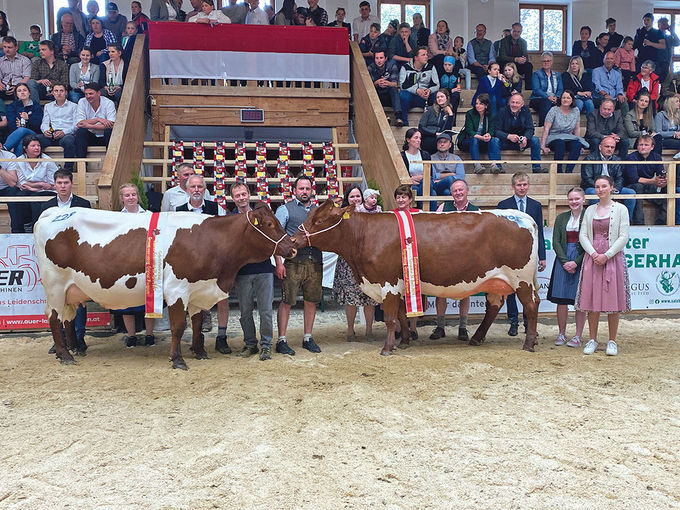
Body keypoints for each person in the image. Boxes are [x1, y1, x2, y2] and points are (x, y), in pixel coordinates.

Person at [576, 174, 630, 356]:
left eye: (604, 186)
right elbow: (583, 234)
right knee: (592, 301)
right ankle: (592, 338)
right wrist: (593, 254)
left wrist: (606, 255)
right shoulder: (590, 210)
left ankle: (612, 341)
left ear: (611, 187)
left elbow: (623, 236)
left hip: (612, 258)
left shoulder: (621, 209)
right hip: (592, 258)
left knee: (612, 300)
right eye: (597, 186)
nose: (600, 190)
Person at [42, 169, 91, 355]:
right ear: (54, 184)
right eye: (59, 183)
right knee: (57, 300)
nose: (63, 186)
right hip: (55, 262)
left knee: (80, 299)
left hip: (79, 261)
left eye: (66, 183)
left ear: (72, 184)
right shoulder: (45, 208)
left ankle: (79, 338)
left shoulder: (83, 205)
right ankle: (60, 339)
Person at [175, 174, 228, 343]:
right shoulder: (178, 210)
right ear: (187, 189)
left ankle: (219, 333)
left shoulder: (216, 208)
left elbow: (224, 234)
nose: (196, 190)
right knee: (187, 294)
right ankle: (188, 330)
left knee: (217, 296)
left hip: (211, 261)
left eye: (200, 187)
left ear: (205, 190)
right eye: (193, 187)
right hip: (188, 262)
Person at [274, 176, 323, 355]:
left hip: (315, 261)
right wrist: (279, 263)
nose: (304, 192)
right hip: (292, 262)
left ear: (312, 191)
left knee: (311, 301)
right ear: (294, 190)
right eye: (301, 188)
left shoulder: (318, 211)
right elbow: (277, 239)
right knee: (287, 301)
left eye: (307, 189)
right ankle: (281, 340)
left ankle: (308, 337)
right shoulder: (284, 209)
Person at [229, 182, 275, 360]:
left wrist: (277, 263)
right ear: (233, 198)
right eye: (237, 195)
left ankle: (266, 345)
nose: (241, 198)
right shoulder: (231, 219)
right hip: (242, 273)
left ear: (249, 195)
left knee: (265, 310)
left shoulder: (261, 216)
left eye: (243, 194)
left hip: (264, 269)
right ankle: (250, 344)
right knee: (245, 312)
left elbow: (273, 239)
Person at [497, 172, 546, 336]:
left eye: (525, 184)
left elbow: (539, 232)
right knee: (511, 290)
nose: (522, 188)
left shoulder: (536, 205)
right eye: (519, 185)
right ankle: (513, 322)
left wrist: (542, 256)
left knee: (529, 290)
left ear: (528, 185)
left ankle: (528, 323)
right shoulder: (503, 204)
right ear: (513, 186)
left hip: (528, 257)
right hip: (509, 255)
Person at [430, 178, 477, 342]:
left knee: (465, 291)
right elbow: (434, 231)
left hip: (466, 258)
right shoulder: (443, 208)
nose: (458, 193)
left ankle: (462, 328)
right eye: (455, 190)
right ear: (451, 193)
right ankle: (440, 326)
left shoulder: (475, 211)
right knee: (440, 291)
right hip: (444, 256)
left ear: (467, 191)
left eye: (460, 190)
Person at [332, 185, 378, 342]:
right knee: (350, 298)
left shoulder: (374, 212)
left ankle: (369, 331)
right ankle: (350, 330)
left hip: (368, 261)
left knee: (369, 297)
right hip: (348, 262)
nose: (355, 199)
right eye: (352, 197)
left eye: (358, 196)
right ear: (347, 199)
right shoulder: (342, 215)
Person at [117, 182, 155, 348]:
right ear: (122, 198)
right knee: (127, 303)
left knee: (148, 301)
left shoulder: (149, 215)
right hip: (125, 265)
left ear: (138, 196)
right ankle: (131, 336)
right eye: (127, 195)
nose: (131, 197)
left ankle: (149, 335)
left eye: (133, 194)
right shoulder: (116, 218)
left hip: (145, 263)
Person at [548, 187, 586, 347]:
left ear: (583, 199)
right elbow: (555, 241)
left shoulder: (589, 217)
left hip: (582, 259)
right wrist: (565, 261)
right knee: (561, 299)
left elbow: (590, 242)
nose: (574, 202)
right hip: (563, 259)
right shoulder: (561, 218)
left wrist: (576, 262)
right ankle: (561, 333)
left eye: (577, 199)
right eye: (571, 199)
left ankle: (578, 335)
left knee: (580, 300)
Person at [580, 135, 636, 222]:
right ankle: (595, 222)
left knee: (631, 193)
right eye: (607, 146)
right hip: (594, 187)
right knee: (592, 193)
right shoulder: (590, 158)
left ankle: (627, 222)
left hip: (611, 187)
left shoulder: (617, 160)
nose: (609, 149)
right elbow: (587, 179)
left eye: (612, 147)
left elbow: (620, 178)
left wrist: (615, 188)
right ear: (600, 147)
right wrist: (601, 188)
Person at [624, 134, 674, 225]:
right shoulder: (631, 157)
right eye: (640, 145)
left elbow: (660, 173)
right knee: (638, 187)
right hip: (632, 186)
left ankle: (661, 224)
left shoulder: (656, 157)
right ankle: (639, 224)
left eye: (646, 145)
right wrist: (654, 181)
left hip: (648, 185)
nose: (643, 147)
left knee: (668, 190)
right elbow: (634, 179)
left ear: (652, 147)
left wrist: (662, 181)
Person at [13, 135, 58, 233]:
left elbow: (52, 184)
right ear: (25, 148)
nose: (37, 148)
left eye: (38, 145)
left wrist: (32, 186)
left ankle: (35, 228)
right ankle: (23, 227)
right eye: (33, 146)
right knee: (20, 196)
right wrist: (40, 184)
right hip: (29, 190)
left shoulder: (47, 161)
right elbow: (22, 183)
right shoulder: (19, 161)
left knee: (35, 199)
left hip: (48, 191)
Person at [496, 92, 547, 173]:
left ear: (522, 104)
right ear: (509, 103)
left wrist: (525, 138)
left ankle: (536, 167)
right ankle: (498, 167)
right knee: (494, 141)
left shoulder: (526, 111)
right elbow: (496, 131)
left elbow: (530, 129)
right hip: (506, 141)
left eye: (517, 102)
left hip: (521, 142)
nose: (514, 105)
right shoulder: (502, 111)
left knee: (535, 140)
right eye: (512, 102)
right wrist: (508, 136)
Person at [540, 90, 586, 173]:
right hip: (554, 138)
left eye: (568, 98)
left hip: (568, 137)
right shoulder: (554, 110)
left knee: (577, 145)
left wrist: (580, 141)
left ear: (572, 100)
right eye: (563, 97)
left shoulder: (576, 111)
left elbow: (577, 128)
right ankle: (558, 171)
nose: (565, 99)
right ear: (560, 99)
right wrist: (543, 146)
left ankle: (569, 171)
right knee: (560, 143)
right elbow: (546, 128)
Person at [456, 93, 501, 174]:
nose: (478, 105)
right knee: (474, 139)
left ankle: (495, 165)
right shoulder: (470, 113)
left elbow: (492, 129)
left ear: (486, 105)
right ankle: (477, 166)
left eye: (481, 104)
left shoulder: (491, 115)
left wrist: (488, 135)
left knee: (495, 140)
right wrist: (481, 137)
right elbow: (469, 131)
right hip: (468, 141)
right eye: (476, 103)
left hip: (482, 141)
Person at [36, 84, 77, 172]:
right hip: (51, 134)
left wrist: (64, 132)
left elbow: (76, 125)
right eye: (56, 91)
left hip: (66, 135)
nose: (59, 93)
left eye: (61, 91)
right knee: (36, 139)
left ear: (66, 93)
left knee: (69, 140)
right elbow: (45, 123)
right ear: (52, 93)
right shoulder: (48, 106)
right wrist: (45, 131)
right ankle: (38, 168)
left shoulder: (74, 106)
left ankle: (68, 169)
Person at [398, 46, 439, 127]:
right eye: (423, 55)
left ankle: (434, 124)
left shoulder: (431, 67)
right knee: (403, 94)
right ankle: (404, 123)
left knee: (436, 95)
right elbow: (402, 85)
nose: (426, 57)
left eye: (426, 55)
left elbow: (437, 85)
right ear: (416, 58)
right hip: (412, 96)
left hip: (426, 97)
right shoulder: (405, 67)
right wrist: (417, 90)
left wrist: (429, 91)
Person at [74, 82, 116, 158]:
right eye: (86, 94)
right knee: (81, 132)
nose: (88, 96)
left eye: (91, 94)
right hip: (90, 137)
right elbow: (80, 123)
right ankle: (81, 165)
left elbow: (111, 125)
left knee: (109, 132)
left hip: (105, 136)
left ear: (99, 93)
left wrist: (88, 125)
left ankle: (110, 161)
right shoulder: (82, 102)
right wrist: (98, 119)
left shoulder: (108, 103)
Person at [4, 83, 43, 156]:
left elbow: (38, 125)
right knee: (21, 140)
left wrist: (28, 120)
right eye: (19, 91)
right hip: (17, 134)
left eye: (25, 90)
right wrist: (19, 127)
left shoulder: (36, 106)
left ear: (29, 92)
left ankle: (4, 149)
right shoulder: (12, 106)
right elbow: (11, 124)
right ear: (16, 94)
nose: (22, 92)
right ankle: (18, 164)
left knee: (22, 130)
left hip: (33, 134)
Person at [529, 51, 563, 126]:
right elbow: (536, 89)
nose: (546, 63)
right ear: (541, 62)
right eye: (544, 61)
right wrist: (548, 97)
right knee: (546, 102)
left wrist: (556, 97)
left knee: (565, 101)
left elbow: (560, 89)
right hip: (538, 98)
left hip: (554, 98)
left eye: (548, 61)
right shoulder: (536, 74)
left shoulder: (557, 75)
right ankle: (543, 126)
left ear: (552, 62)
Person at [367, 50, 401, 124]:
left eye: (381, 58)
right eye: (377, 58)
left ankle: (398, 117)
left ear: (386, 58)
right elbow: (368, 86)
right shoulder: (370, 68)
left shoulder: (392, 66)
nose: (379, 60)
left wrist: (387, 83)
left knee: (394, 89)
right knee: (372, 92)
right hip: (377, 96)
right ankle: (383, 117)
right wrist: (377, 82)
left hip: (389, 96)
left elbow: (395, 84)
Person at [418, 89, 455, 153]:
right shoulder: (429, 109)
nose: (439, 99)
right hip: (428, 137)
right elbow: (421, 127)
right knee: (436, 143)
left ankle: (448, 162)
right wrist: (434, 133)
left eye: (442, 96)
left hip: (441, 137)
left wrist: (450, 114)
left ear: (447, 98)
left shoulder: (449, 111)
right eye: (437, 97)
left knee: (450, 144)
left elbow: (448, 129)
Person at [400, 127, 430, 199]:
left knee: (429, 188)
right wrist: (411, 179)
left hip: (426, 183)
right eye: (416, 138)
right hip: (410, 185)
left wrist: (417, 178)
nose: (418, 140)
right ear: (408, 140)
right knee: (422, 190)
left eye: (420, 138)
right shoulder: (402, 156)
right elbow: (403, 176)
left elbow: (429, 174)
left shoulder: (425, 155)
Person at [0, 36, 31, 101]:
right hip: (4, 86)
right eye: (4, 47)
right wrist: (1, 85)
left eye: (9, 47)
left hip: (19, 86)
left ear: (16, 48)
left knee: (22, 92)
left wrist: (18, 87)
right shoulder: (0, 61)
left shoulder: (25, 60)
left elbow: (27, 77)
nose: (6, 50)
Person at [0, 143, 18, 233]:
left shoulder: (10, 157)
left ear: (0, 146)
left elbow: (13, 183)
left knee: (14, 192)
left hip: (6, 188)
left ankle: (16, 232)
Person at [657, 17, 679, 84]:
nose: (664, 26)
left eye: (666, 24)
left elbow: (677, 42)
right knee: (656, 79)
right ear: (658, 25)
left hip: (666, 61)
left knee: (664, 80)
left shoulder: (668, 37)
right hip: (656, 61)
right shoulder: (655, 35)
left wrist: (672, 32)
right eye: (662, 24)